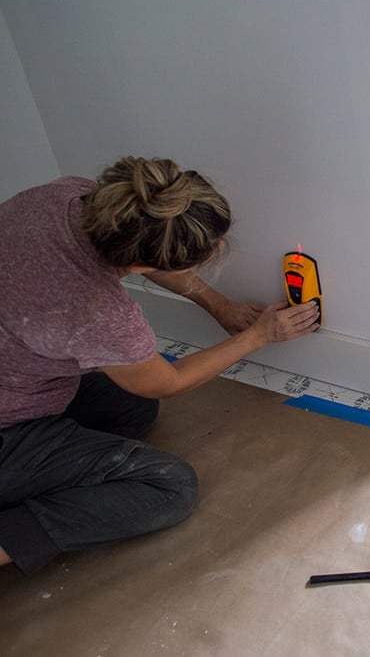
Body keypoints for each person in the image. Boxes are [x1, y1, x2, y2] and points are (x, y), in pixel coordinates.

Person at [0, 156, 319, 574]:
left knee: (129, 408)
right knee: (168, 488)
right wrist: (259, 336)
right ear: (145, 264)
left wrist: (217, 304)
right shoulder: (96, 311)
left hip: (15, 380)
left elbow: (141, 251)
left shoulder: (70, 196)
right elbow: (166, 381)